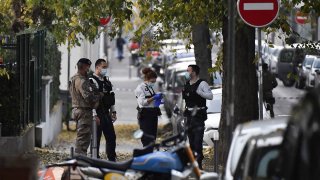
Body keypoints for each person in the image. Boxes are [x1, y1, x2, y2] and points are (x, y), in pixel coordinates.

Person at [69, 58, 104, 155]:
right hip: (83, 112)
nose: (89, 69)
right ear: (84, 67)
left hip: (77, 109)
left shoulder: (74, 78)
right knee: (83, 140)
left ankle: (79, 158)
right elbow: (89, 98)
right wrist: (99, 96)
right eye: (88, 67)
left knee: (82, 137)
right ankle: (79, 161)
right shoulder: (82, 81)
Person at [182, 64, 213, 169]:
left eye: (188, 71)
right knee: (190, 141)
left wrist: (200, 92)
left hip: (198, 116)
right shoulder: (187, 84)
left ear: (194, 72)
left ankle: (199, 164)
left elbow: (210, 96)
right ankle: (192, 164)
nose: (186, 73)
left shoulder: (202, 84)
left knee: (198, 141)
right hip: (189, 116)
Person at [89, 58, 117, 161]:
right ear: (97, 67)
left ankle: (112, 159)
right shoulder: (91, 81)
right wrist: (94, 115)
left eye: (106, 67)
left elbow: (111, 98)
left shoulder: (107, 81)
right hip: (97, 114)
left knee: (111, 137)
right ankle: (94, 159)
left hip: (106, 114)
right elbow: (90, 101)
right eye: (103, 67)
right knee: (96, 138)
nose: (105, 69)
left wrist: (113, 112)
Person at [134, 68, 163, 152]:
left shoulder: (150, 88)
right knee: (147, 136)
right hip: (145, 114)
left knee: (153, 136)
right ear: (147, 79)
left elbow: (152, 100)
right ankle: (146, 152)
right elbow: (142, 102)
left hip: (153, 113)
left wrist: (158, 101)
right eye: (152, 82)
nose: (153, 84)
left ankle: (151, 152)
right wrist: (154, 97)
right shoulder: (140, 88)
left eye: (154, 82)